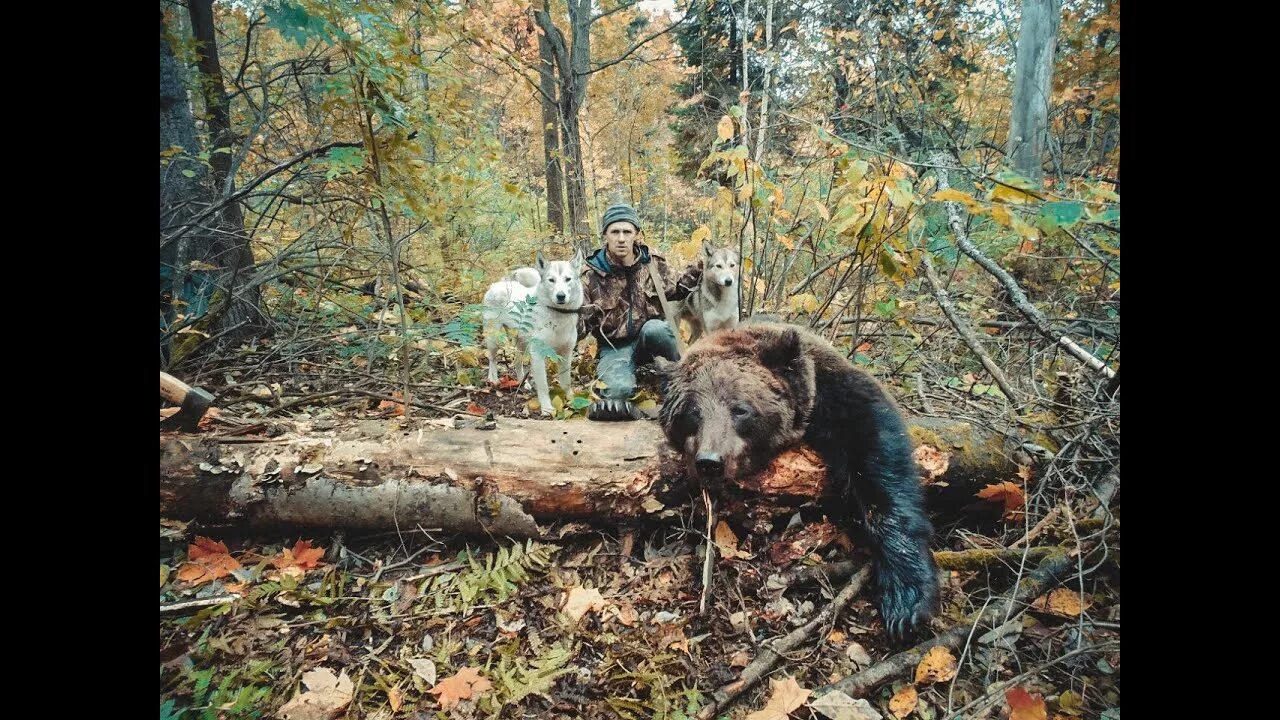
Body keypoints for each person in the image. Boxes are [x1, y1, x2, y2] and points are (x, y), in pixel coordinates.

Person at [578, 203, 702, 420]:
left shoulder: (652, 263)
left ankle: (676, 393)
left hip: (651, 338)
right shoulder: (591, 274)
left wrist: (703, 266)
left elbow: (678, 288)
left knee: (659, 329)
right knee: (616, 394)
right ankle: (635, 410)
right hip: (614, 347)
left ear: (636, 234)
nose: (621, 238)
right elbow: (581, 325)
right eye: (615, 231)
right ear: (605, 235)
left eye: (627, 231)